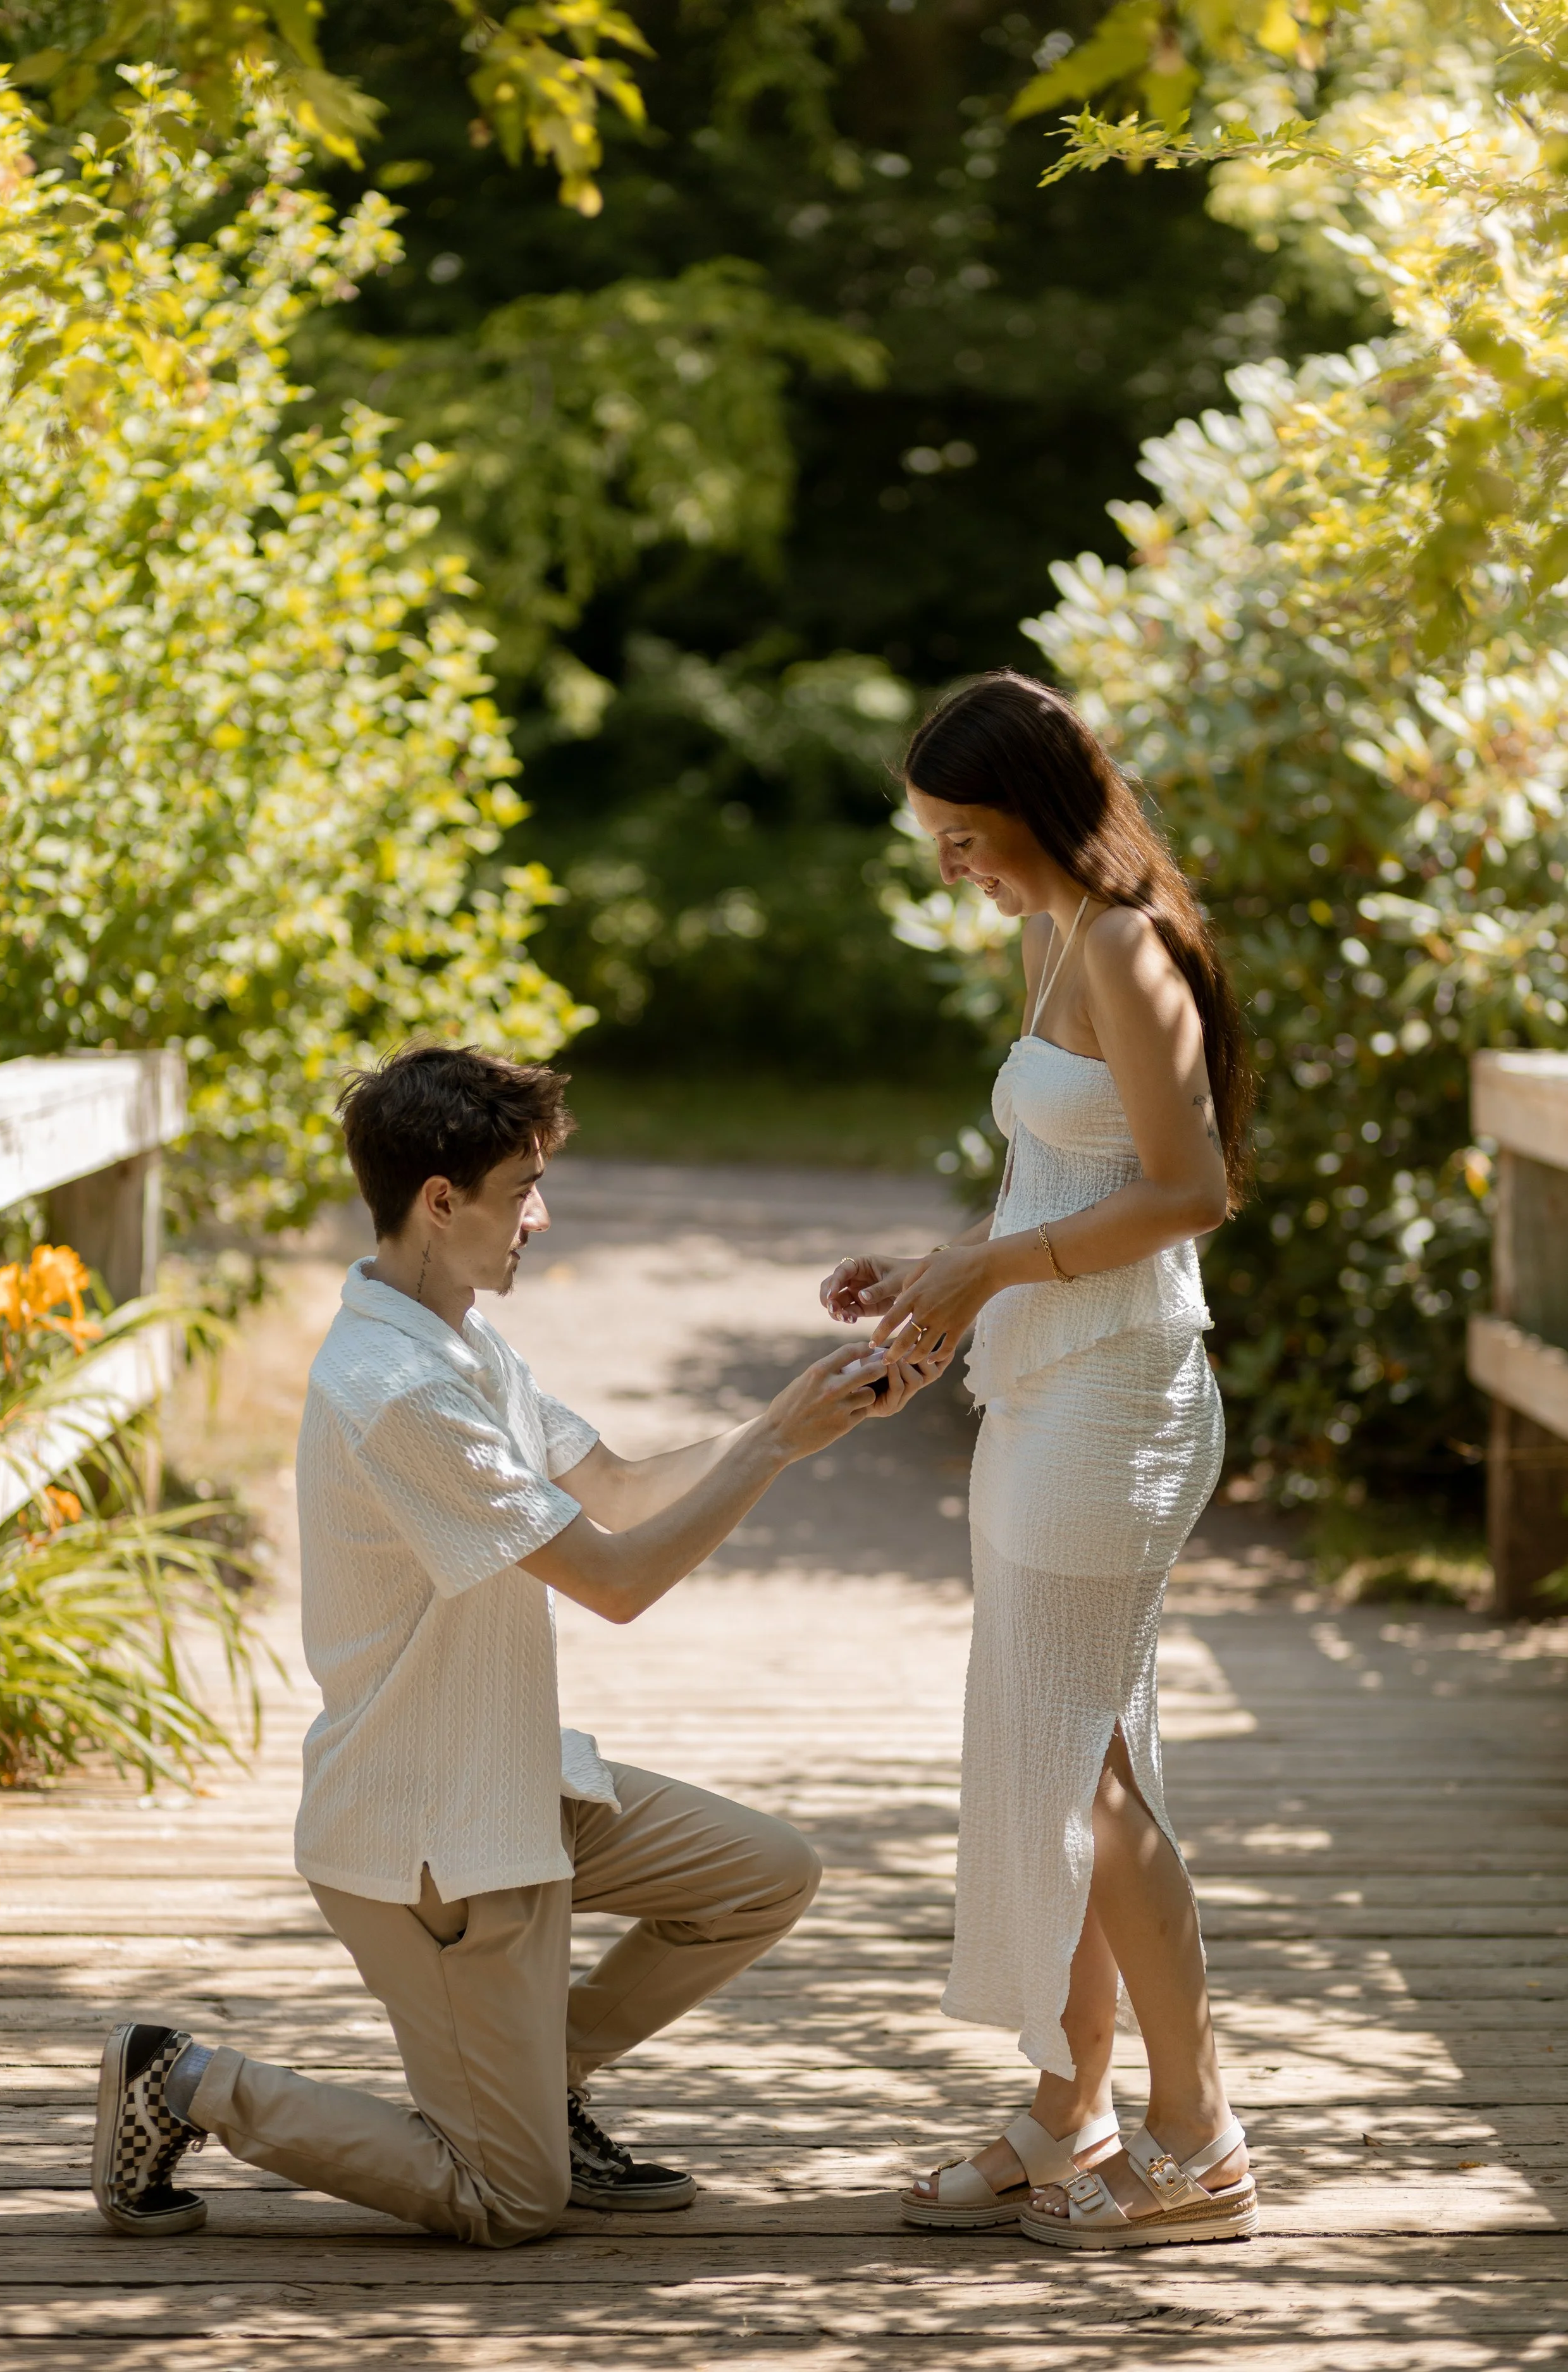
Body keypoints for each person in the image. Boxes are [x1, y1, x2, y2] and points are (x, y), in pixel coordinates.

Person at [91, 1042, 937, 2247]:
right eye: (521, 1186)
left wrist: (808, 1410)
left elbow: (626, 1490)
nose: (543, 1213)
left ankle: (541, 2083)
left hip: (517, 1784)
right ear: (439, 1201)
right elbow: (617, 1578)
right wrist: (773, 1447)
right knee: (509, 2199)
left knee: (764, 1873)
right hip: (433, 1837)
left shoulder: (464, 1341)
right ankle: (183, 2080)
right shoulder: (399, 1391)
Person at [821, 671, 1260, 2251]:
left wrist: (992, 1279)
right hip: (1046, 1389)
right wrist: (937, 1268)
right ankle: (1068, 2104)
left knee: (1086, 1760)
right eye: (935, 838)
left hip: (1123, 1399)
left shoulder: (1131, 944)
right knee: (1046, 1746)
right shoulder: (1047, 932)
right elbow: (1051, 1178)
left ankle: (1196, 2136)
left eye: (964, 834)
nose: (949, 864)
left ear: (1036, 807)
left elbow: (1189, 1191)